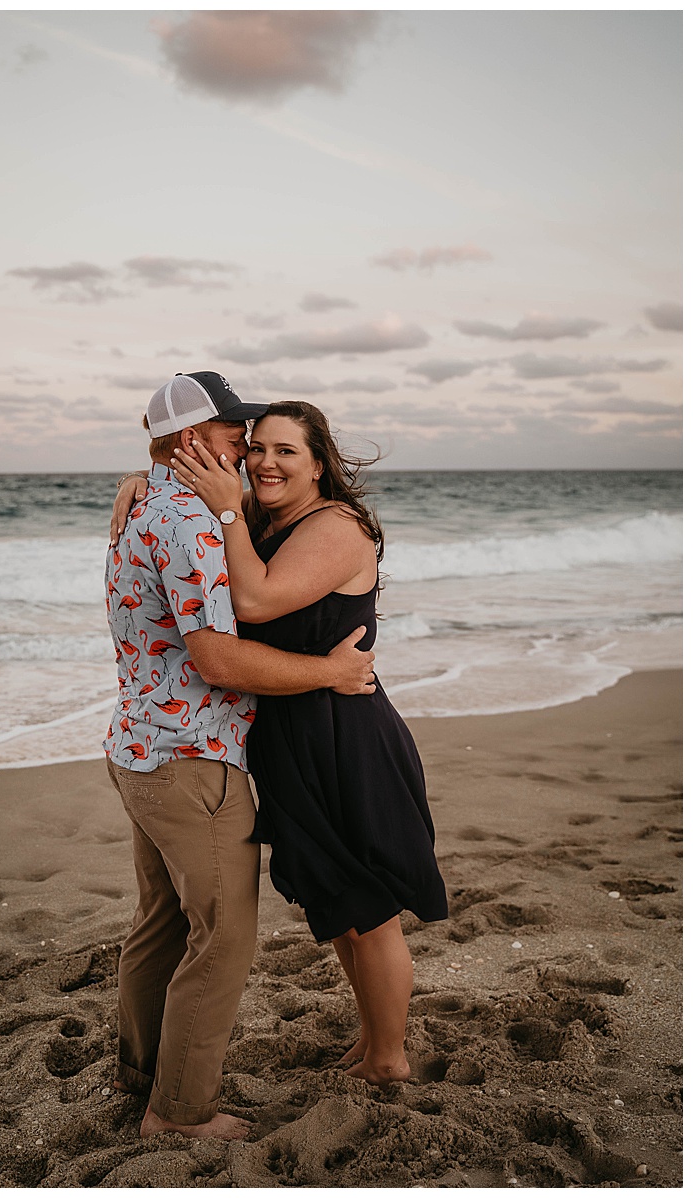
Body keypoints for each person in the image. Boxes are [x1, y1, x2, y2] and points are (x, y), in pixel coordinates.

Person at [105, 372, 378, 1140]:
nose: (249, 450)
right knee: (222, 937)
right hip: (193, 760)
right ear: (193, 441)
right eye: (236, 436)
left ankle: (141, 1074)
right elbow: (218, 660)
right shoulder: (189, 520)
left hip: (137, 748)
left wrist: (143, 475)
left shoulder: (148, 504)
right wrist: (332, 671)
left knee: (161, 921)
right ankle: (181, 1113)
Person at [170, 398, 448, 1087]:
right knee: (338, 904)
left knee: (372, 908)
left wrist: (230, 509)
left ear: (319, 464)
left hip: (345, 733)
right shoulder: (270, 521)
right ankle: (371, 1035)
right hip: (290, 734)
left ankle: (389, 1058)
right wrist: (138, 485)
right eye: (256, 447)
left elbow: (256, 603)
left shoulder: (336, 525)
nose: (265, 461)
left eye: (286, 451)